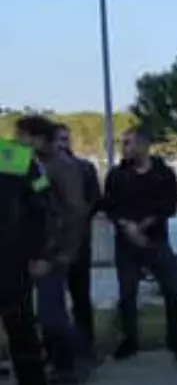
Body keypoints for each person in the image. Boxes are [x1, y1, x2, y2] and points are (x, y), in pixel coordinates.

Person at [0, 135, 73, 385]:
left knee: (24, 336)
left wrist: (41, 252)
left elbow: (43, 200)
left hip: (12, 264)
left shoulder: (13, 156)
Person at [99, 127, 177, 360]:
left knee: (171, 289)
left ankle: (176, 338)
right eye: (122, 143)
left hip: (155, 241)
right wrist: (127, 226)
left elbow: (168, 205)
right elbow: (109, 206)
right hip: (126, 243)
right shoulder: (116, 176)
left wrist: (143, 227)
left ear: (144, 145)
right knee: (127, 292)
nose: (123, 148)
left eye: (128, 143)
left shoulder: (163, 174)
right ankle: (130, 340)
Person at [15, 115, 90, 384]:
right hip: (31, 250)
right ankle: (62, 362)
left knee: (51, 316)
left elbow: (74, 212)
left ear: (37, 138)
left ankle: (79, 357)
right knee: (45, 314)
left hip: (52, 253)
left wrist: (63, 252)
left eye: (22, 136)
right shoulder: (26, 162)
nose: (17, 141)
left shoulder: (62, 166)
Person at [55, 125, 100, 361]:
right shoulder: (43, 169)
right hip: (54, 248)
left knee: (81, 298)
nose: (63, 144)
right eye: (58, 139)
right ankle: (61, 351)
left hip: (80, 244)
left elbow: (93, 202)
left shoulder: (84, 168)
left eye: (65, 138)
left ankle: (87, 347)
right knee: (54, 302)